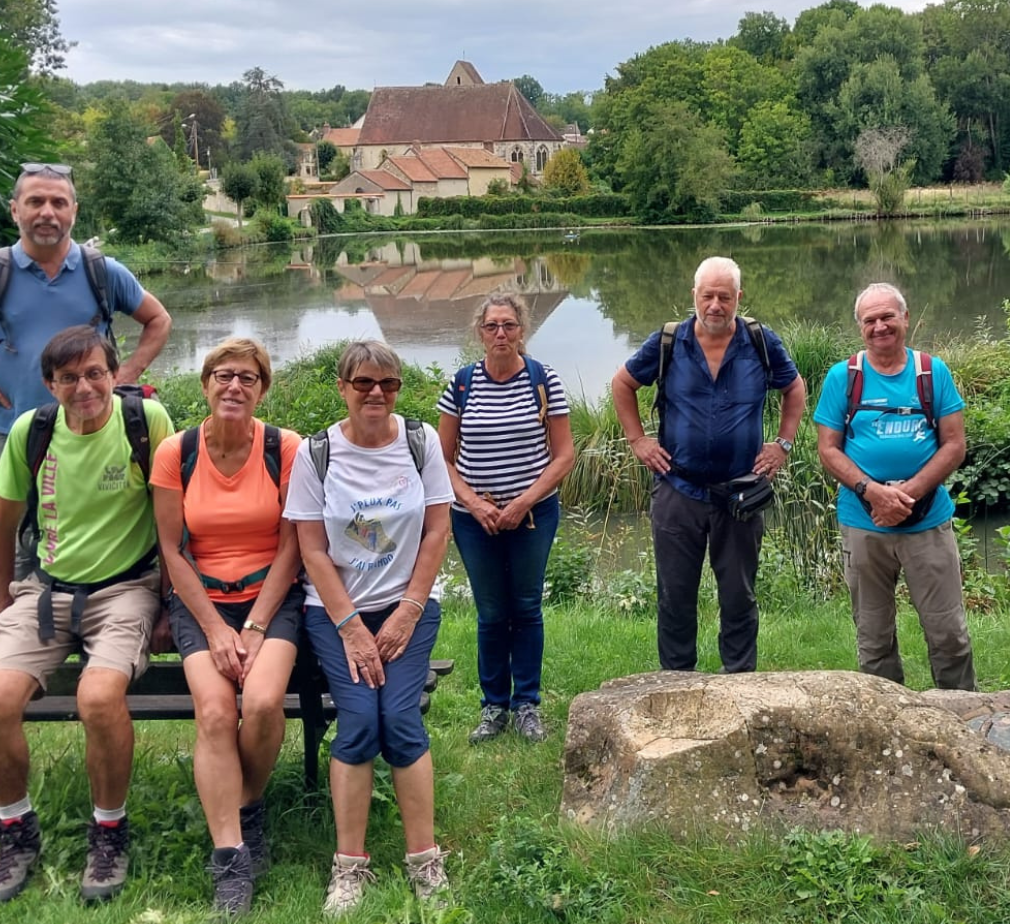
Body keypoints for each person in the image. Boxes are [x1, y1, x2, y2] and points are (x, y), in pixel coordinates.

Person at [0, 326, 174, 904]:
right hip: (46, 589)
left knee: (98, 697)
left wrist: (168, 604)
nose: (83, 387)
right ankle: (16, 830)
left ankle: (109, 831)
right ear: (49, 384)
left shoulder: (147, 423)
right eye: (69, 378)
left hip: (127, 588)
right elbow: (3, 525)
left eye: (94, 374)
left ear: (115, 374)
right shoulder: (31, 433)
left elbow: (173, 523)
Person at [284, 342, 453, 913]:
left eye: (388, 383)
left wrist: (407, 608)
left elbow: (436, 532)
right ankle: (349, 867)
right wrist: (352, 628)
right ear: (342, 387)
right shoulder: (317, 454)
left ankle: (424, 860)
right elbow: (311, 549)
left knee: (400, 717)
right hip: (334, 613)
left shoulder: (421, 443)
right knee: (359, 720)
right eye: (362, 383)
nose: (376, 393)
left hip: (408, 607)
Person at [150, 338, 303, 915]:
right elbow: (172, 547)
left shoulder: (285, 447)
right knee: (215, 712)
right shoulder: (176, 451)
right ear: (206, 384)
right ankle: (231, 859)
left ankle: (247, 802)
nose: (234, 386)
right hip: (201, 601)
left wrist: (258, 623)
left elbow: (294, 544)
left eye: (247, 377)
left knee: (262, 704)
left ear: (262, 389)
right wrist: (216, 629)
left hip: (273, 596)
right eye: (223, 375)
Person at [0, 162, 172, 474]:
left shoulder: (102, 271)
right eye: (35, 202)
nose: (47, 212)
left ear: (74, 211)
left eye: (58, 203)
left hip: (95, 430)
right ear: (15, 210)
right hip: (15, 434)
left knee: (100, 522)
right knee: (21, 524)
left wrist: (125, 375)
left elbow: (159, 319)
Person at [610, 256, 806, 674]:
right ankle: (678, 681)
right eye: (707, 296)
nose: (715, 305)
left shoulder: (759, 341)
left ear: (739, 297)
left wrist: (782, 444)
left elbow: (794, 387)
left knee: (738, 595)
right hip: (678, 489)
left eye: (724, 296)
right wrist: (638, 440)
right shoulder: (668, 341)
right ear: (693, 296)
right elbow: (622, 383)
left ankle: (738, 681)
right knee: (675, 594)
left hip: (740, 492)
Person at [813, 283, 975, 690]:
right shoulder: (843, 377)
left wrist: (908, 495)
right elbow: (828, 450)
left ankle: (963, 716)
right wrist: (873, 493)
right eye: (870, 320)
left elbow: (954, 444)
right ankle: (889, 720)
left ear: (905, 318)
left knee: (949, 634)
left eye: (888, 317)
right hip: (864, 522)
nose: (880, 326)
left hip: (927, 523)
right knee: (873, 637)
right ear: (860, 327)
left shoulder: (931, 372)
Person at [438, 295, 576, 744]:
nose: (501, 334)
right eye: (492, 326)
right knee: (491, 611)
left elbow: (563, 455)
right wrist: (476, 504)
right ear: (479, 331)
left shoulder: (544, 380)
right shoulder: (459, 385)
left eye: (510, 326)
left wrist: (522, 503)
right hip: (472, 519)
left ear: (523, 331)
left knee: (526, 607)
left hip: (533, 515)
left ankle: (527, 705)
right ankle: (493, 706)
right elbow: (442, 460)